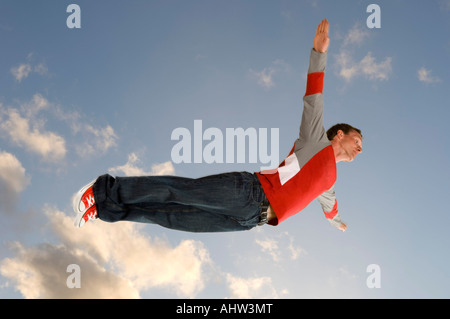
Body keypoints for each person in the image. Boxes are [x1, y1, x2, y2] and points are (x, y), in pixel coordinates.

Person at [73, 19, 363, 233]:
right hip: (250, 192)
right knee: (177, 192)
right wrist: (319, 53)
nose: (360, 148)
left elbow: (329, 204)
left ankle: (104, 209)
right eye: (357, 140)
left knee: (173, 217)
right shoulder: (315, 141)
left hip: (250, 220)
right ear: (340, 135)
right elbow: (314, 96)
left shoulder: (329, 180)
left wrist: (336, 221)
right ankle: (103, 190)